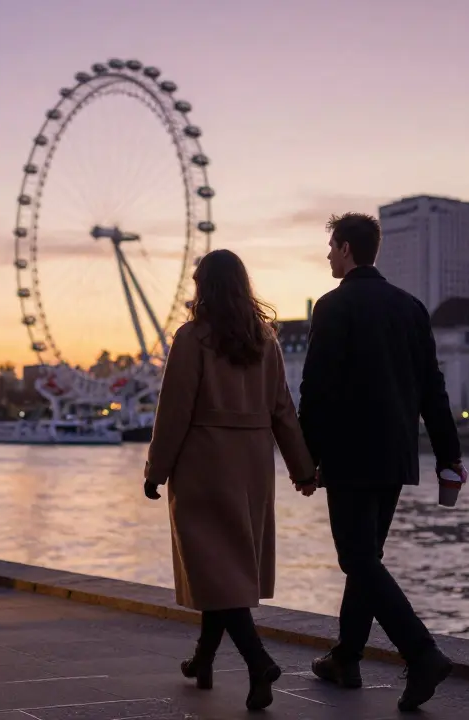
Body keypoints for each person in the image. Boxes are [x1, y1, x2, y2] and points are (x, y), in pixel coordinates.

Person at [296, 213, 466, 712]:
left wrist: (306, 460)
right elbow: (433, 389)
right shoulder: (410, 308)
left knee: (358, 559)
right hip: (395, 455)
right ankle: (346, 658)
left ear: (347, 249)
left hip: (349, 454)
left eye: (331, 247)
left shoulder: (332, 306)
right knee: (366, 558)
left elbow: (316, 391)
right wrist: (448, 457)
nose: (328, 255)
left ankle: (422, 653)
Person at [144, 249, 316, 711]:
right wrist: (302, 468)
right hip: (252, 466)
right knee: (223, 571)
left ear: (207, 286)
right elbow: (283, 409)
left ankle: (258, 662)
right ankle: (203, 660)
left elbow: (174, 411)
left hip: (203, 463)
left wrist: (155, 470)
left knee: (215, 570)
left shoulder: (192, 338)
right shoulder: (267, 341)